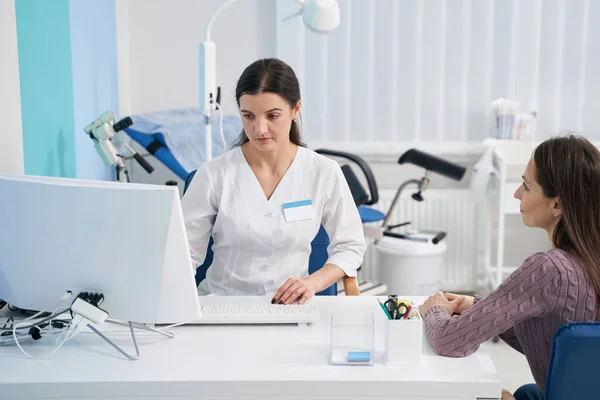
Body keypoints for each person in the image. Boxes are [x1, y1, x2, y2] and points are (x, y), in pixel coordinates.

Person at [419, 135, 600, 400]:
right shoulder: (590, 258)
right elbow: (553, 343)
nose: (516, 194)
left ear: (557, 204)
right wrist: (480, 308)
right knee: (527, 392)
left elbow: (449, 341)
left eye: (526, 187)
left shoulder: (550, 270)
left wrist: (434, 311)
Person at [181, 58, 366, 304]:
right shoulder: (214, 175)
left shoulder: (324, 172)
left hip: (290, 309)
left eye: (272, 115)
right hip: (222, 305)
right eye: (248, 116)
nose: (259, 129)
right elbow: (182, 255)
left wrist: (312, 283)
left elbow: (350, 246)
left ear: (295, 110)